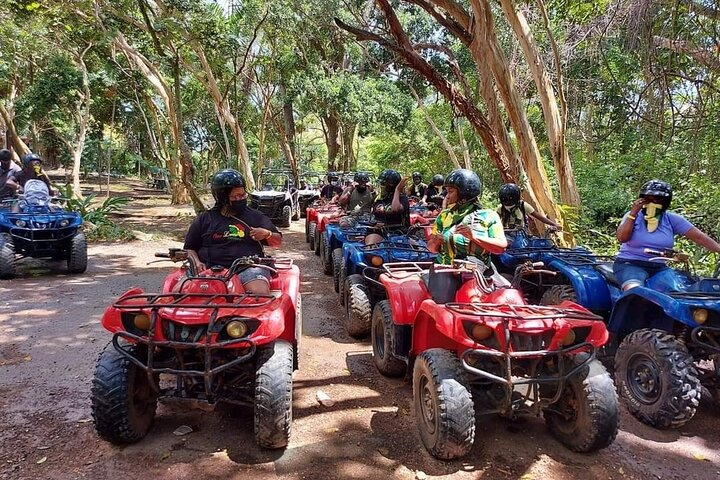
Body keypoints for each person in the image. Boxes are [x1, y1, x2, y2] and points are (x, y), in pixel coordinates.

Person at [183, 169, 282, 295]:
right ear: (222, 198)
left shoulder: (256, 217)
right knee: (176, 293)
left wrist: (267, 234)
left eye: (242, 195)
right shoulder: (205, 219)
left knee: (260, 294)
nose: (240, 199)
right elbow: (189, 248)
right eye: (235, 196)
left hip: (247, 269)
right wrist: (196, 262)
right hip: (208, 270)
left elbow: (277, 241)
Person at [613, 179, 720, 291]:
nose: (652, 202)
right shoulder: (632, 216)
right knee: (635, 291)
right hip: (630, 264)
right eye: (648, 199)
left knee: (679, 290)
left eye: (657, 200)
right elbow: (621, 238)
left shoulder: (671, 219)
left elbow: (700, 238)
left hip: (659, 267)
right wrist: (633, 213)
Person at [427, 169, 507, 264]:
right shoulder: (444, 216)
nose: (447, 197)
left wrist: (473, 237)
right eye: (446, 192)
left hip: (476, 270)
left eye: (450, 192)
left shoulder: (488, 215)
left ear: (464, 194)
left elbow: (501, 248)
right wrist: (435, 241)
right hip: (445, 269)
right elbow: (431, 249)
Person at [365, 169, 410, 245]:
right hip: (378, 232)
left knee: (418, 250)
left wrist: (397, 190)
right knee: (371, 249)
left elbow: (395, 209)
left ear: (391, 185)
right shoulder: (378, 199)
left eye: (383, 183)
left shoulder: (402, 198)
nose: (381, 186)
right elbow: (372, 216)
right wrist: (374, 223)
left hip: (399, 233)